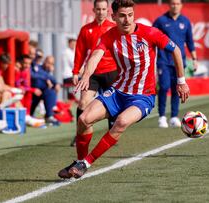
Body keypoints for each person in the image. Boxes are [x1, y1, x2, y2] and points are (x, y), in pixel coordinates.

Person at [58, 0, 190, 179]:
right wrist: (87, 75)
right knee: (83, 119)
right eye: (122, 16)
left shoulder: (149, 33)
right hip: (118, 91)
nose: (127, 20)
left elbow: (175, 50)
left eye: (130, 15)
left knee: (120, 122)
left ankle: (86, 162)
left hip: (143, 97)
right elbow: (95, 56)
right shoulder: (109, 36)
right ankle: (80, 162)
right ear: (113, 17)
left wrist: (181, 81)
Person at [69, 0, 118, 147]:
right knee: (83, 102)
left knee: (113, 104)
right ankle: (80, 134)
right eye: (98, 9)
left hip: (112, 71)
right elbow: (80, 52)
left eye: (103, 9)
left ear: (108, 10)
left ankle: (112, 132)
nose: (101, 12)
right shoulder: (86, 30)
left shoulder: (114, 28)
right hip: (92, 74)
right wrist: (76, 72)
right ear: (93, 10)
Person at [153, 0, 198, 128]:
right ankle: (162, 116)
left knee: (177, 89)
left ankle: (174, 116)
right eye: (173, 3)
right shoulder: (160, 20)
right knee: (164, 86)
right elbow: (151, 37)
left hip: (179, 61)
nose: (175, 6)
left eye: (177, 3)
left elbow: (190, 41)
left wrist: (194, 59)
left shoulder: (185, 21)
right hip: (164, 60)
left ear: (181, 5)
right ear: (169, 5)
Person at [30, 56, 60, 126]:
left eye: (52, 64)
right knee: (48, 89)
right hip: (32, 93)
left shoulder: (47, 72)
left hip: (39, 94)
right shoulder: (37, 67)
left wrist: (56, 83)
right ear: (44, 61)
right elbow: (35, 76)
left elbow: (51, 80)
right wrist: (48, 78)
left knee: (50, 90)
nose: (49, 65)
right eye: (48, 63)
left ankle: (49, 115)